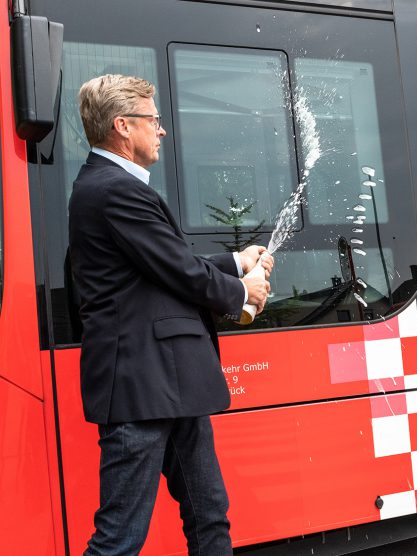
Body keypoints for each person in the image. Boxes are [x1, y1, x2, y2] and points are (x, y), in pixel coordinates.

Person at [68, 74, 273, 555]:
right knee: (119, 537)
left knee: (209, 517)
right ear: (122, 126)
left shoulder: (110, 186)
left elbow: (159, 264)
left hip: (170, 382)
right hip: (143, 386)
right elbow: (178, 269)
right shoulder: (114, 189)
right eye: (153, 120)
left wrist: (234, 261)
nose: (161, 131)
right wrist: (242, 290)